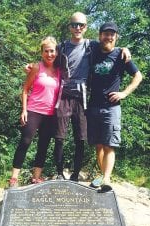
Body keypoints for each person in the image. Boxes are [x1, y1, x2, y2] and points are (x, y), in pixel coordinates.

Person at [25, 12, 131, 182]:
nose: (78, 28)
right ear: (70, 27)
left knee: (80, 138)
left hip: (82, 95)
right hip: (64, 93)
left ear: (86, 27)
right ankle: (60, 172)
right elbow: (48, 58)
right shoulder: (62, 47)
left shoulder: (92, 45)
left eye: (81, 25)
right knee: (59, 137)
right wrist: (32, 66)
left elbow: (109, 45)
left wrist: (124, 49)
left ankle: (75, 174)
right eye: (74, 25)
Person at [87, 22, 143, 190]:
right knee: (98, 145)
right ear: (100, 36)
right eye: (106, 34)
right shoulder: (93, 50)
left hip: (112, 108)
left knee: (109, 144)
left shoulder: (121, 55)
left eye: (112, 34)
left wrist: (124, 93)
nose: (109, 37)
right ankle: (103, 174)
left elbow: (138, 76)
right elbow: (78, 39)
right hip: (93, 106)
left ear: (116, 37)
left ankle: (106, 179)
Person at [9, 36, 61, 187]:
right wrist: (24, 110)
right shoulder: (37, 67)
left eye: (52, 51)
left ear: (56, 52)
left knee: (43, 145)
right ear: (41, 52)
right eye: (46, 51)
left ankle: (36, 177)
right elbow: (25, 89)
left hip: (50, 114)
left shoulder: (59, 70)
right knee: (25, 142)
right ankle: (14, 178)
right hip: (33, 110)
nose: (49, 54)